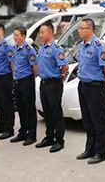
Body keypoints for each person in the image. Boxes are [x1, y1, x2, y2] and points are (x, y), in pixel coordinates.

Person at [75, 18, 105, 164]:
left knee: (99, 120)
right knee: (88, 120)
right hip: (83, 84)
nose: (79, 31)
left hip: (95, 86)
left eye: (81, 28)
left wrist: (99, 79)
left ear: (90, 29)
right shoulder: (81, 46)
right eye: (79, 28)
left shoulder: (99, 46)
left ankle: (100, 152)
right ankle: (89, 149)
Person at [36, 22, 69, 153]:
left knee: (56, 112)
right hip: (43, 83)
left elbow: (64, 66)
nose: (40, 34)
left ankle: (59, 140)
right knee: (47, 112)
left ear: (50, 32)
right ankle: (49, 137)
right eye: (40, 32)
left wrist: (57, 76)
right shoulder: (42, 48)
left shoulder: (56, 48)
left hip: (54, 83)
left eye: (43, 32)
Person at [10, 27, 38, 146]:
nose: (15, 37)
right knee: (20, 107)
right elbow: (13, 64)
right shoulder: (14, 48)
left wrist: (31, 78)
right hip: (18, 81)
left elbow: (35, 67)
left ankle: (31, 135)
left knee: (29, 108)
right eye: (14, 35)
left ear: (23, 36)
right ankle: (23, 132)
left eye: (17, 35)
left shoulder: (29, 50)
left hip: (27, 81)